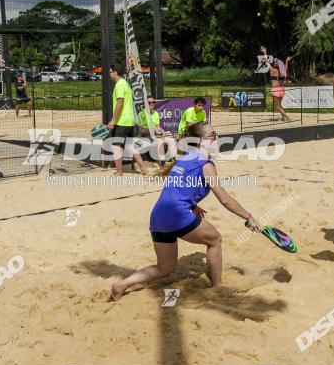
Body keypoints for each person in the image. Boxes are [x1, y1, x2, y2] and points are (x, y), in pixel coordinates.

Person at [110, 122, 260, 301]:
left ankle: (121, 284)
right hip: (176, 215)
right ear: (200, 140)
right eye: (213, 135)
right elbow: (225, 199)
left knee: (165, 268)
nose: (217, 138)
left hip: (158, 216)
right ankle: (218, 286)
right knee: (215, 240)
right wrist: (249, 217)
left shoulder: (185, 158)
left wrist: (192, 205)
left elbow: (177, 188)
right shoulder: (206, 164)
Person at [106, 65, 148, 175]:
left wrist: (113, 120)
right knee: (129, 145)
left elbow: (120, 102)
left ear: (115, 73)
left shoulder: (119, 84)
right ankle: (143, 168)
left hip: (122, 121)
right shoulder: (126, 84)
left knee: (115, 146)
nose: (109, 74)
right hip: (130, 121)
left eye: (110, 72)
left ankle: (119, 172)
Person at [261, 45, 289, 123]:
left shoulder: (273, 70)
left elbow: (266, 62)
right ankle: (283, 117)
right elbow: (285, 69)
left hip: (276, 90)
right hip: (282, 90)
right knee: (279, 105)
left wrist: (265, 53)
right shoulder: (281, 72)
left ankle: (287, 117)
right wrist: (287, 61)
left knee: (277, 106)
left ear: (275, 65)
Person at [138, 95, 167, 161]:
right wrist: (153, 129)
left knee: (167, 139)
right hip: (144, 136)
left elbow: (158, 126)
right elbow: (141, 130)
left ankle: (163, 161)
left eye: (153, 102)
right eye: (149, 102)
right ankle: (162, 162)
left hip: (154, 135)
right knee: (160, 141)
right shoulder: (142, 114)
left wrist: (162, 131)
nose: (152, 104)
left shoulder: (156, 113)